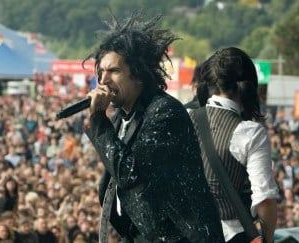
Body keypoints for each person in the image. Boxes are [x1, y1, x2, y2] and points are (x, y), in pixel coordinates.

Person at [84, 11, 224, 242]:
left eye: (114, 71)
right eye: (101, 72)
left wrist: (98, 119)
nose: (103, 80)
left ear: (138, 74)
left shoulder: (163, 112)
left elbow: (128, 173)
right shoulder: (122, 117)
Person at [190, 47, 278, 243]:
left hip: (189, 233)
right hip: (232, 235)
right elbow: (264, 200)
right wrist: (268, 239)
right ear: (248, 86)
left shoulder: (185, 118)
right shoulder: (250, 132)